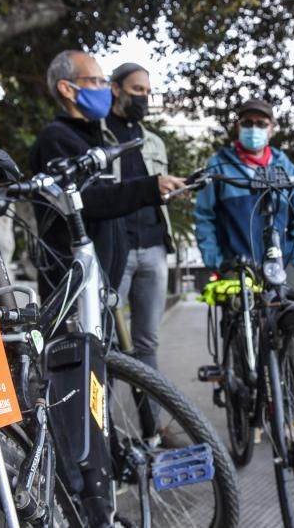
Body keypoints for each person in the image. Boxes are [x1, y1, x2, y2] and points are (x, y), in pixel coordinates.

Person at [29, 50, 184, 440]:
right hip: (72, 281)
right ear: (67, 89)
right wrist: (149, 188)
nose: (103, 91)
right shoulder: (57, 139)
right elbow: (88, 199)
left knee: (109, 358)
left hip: (102, 278)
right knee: (82, 371)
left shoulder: (93, 136)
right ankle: (84, 452)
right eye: (96, 82)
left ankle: (116, 441)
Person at [101, 62, 174, 382]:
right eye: (136, 90)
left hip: (154, 246)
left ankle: (151, 428)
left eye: (147, 91)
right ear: (116, 89)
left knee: (147, 342)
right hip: (117, 248)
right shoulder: (98, 134)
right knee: (109, 341)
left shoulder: (154, 141)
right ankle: (105, 431)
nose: (143, 98)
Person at [194, 99, 294, 283]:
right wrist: (217, 262)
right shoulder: (218, 166)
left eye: (261, 124)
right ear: (238, 127)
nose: (254, 128)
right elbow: (204, 218)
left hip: (282, 268)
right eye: (247, 123)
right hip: (235, 268)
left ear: (271, 128)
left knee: (293, 309)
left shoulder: (288, 169)